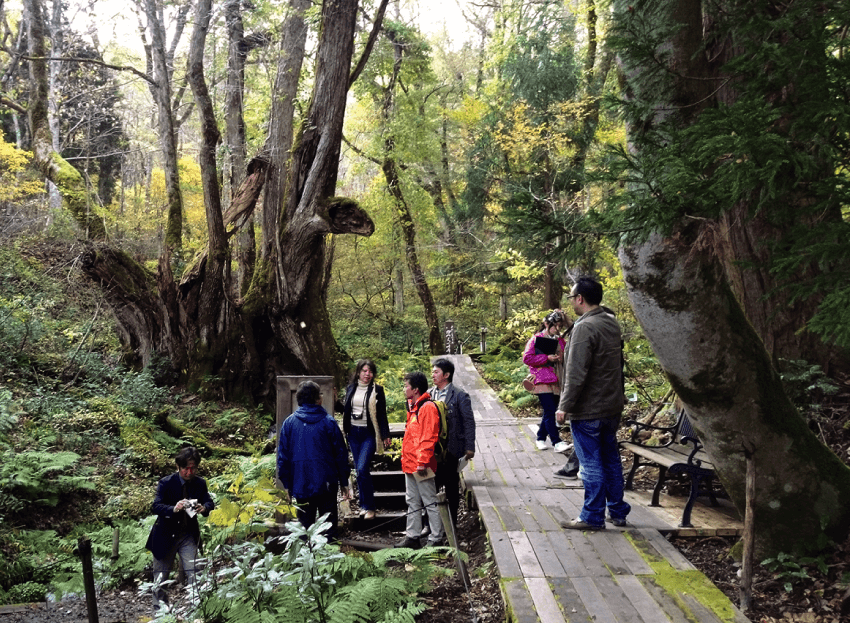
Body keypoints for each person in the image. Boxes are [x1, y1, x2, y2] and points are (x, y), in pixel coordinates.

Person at [555, 277, 631, 530]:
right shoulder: (610, 323)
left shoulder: (585, 328)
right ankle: (618, 511)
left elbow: (576, 371)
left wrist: (564, 405)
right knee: (610, 459)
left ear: (580, 298)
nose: (571, 303)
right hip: (612, 405)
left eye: (572, 298)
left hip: (588, 409)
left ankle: (592, 515)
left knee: (590, 463)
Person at [277, 380, 350, 541]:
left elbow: (283, 458)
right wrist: (344, 481)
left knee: (304, 527)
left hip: (301, 482)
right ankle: (330, 562)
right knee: (329, 526)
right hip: (327, 483)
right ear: (319, 399)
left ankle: (306, 562)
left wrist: (286, 485)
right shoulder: (329, 422)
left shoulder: (289, 424)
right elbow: (341, 454)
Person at [145, 447, 215, 611]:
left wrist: (204, 508)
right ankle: (161, 614)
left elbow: (209, 502)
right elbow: (155, 506)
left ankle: (196, 611)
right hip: (164, 536)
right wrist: (173, 509)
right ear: (178, 466)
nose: (189, 472)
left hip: (187, 536)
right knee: (160, 578)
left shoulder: (200, 483)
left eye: (193, 468)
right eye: (186, 468)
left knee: (195, 573)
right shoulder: (166, 483)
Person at [395, 371, 444, 549]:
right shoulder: (413, 407)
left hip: (422, 465)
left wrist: (422, 461)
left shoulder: (427, 408)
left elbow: (428, 436)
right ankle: (412, 537)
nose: (404, 389)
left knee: (429, 501)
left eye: (406, 386)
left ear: (415, 389)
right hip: (410, 464)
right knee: (413, 501)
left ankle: (436, 538)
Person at [338, 359, 392, 521]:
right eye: (364, 371)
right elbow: (345, 410)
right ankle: (363, 505)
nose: (368, 374)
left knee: (361, 468)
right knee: (359, 471)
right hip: (353, 433)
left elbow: (382, 414)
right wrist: (334, 401)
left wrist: (385, 434)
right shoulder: (351, 388)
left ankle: (369, 507)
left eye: (370, 371)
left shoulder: (377, 390)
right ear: (358, 372)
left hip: (369, 434)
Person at [429, 358, 476, 530]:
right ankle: (433, 525)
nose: (433, 375)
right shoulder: (429, 394)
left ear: (446, 375)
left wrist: (470, 446)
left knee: (451, 486)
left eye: (436, 372)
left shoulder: (459, 395)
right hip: (433, 450)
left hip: (452, 447)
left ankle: (452, 524)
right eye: (433, 371)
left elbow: (468, 422)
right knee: (431, 486)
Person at [523, 310, 571, 453]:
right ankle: (557, 442)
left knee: (549, 412)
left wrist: (559, 358)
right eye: (555, 325)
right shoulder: (536, 339)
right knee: (550, 410)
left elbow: (567, 354)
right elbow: (527, 358)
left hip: (557, 379)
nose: (558, 329)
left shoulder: (560, 340)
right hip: (541, 379)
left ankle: (540, 438)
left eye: (560, 326)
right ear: (546, 324)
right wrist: (546, 358)